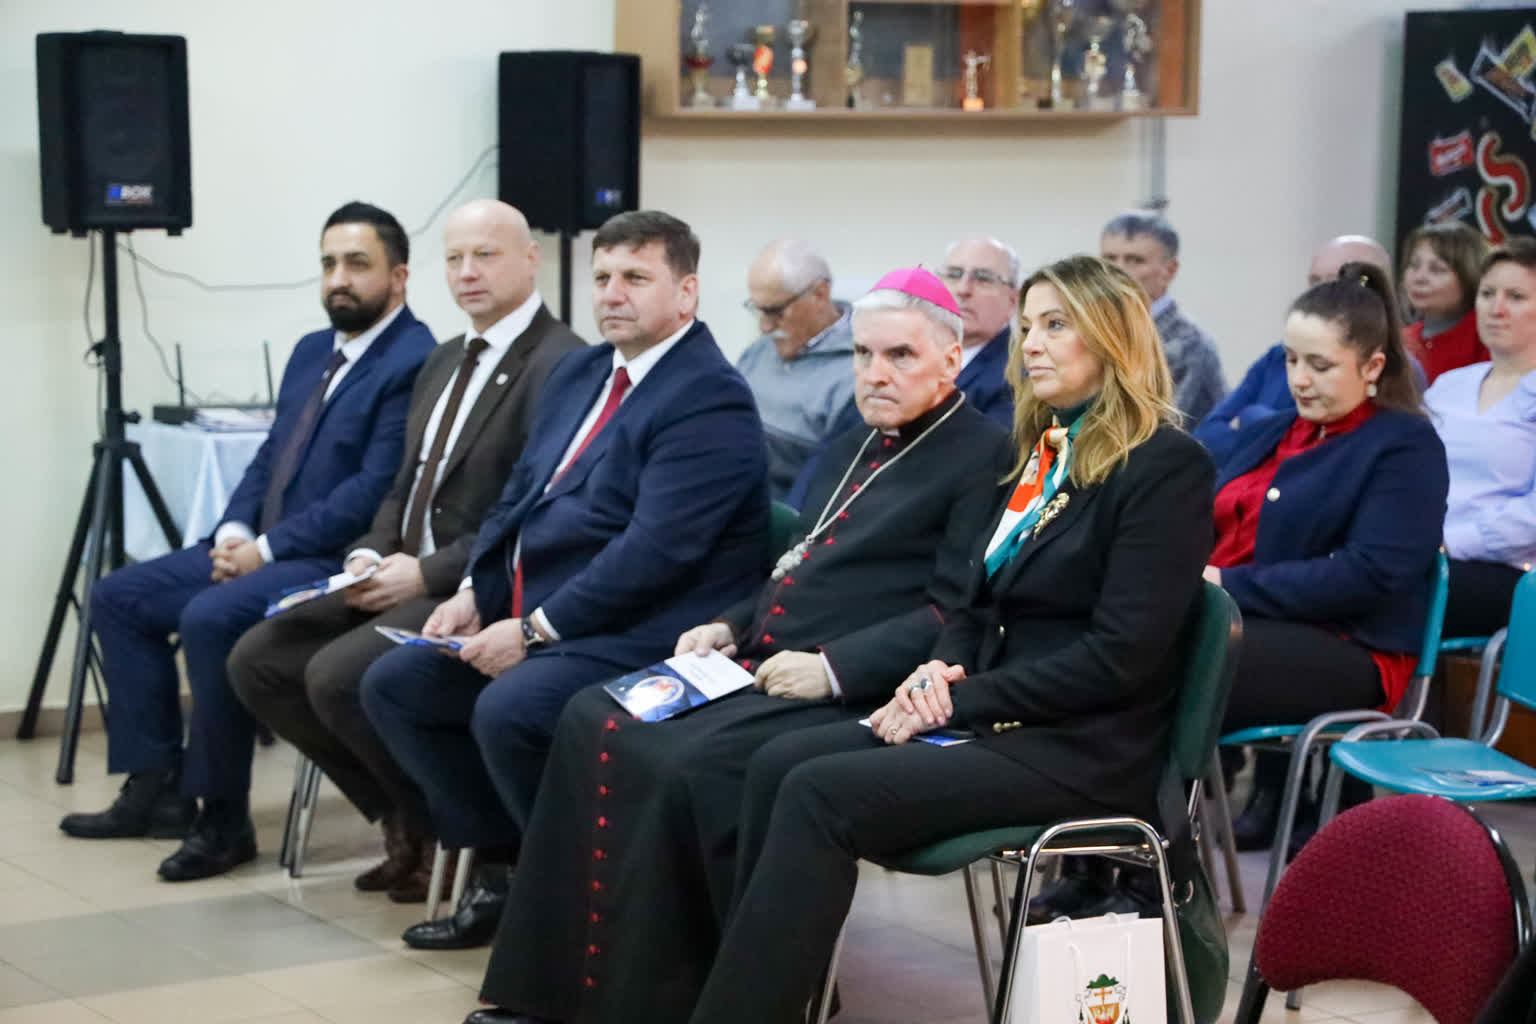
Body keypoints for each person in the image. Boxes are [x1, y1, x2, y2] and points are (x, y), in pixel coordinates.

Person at [466, 267, 1012, 1024]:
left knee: (686, 764)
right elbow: (799, 562)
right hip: (764, 660)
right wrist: (731, 622)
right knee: (592, 716)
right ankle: (556, 987)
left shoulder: (986, 456)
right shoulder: (856, 441)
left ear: (951, 360)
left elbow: (954, 610)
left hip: (849, 686)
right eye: (863, 354)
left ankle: (667, 1000)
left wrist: (832, 669)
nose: (875, 373)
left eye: (900, 356)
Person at [686, 254, 1216, 1024]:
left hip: (1085, 747)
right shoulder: (1044, 453)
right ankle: (779, 999)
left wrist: (960, 699)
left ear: (1113, 338)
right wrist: (936, 673)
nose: (1031, 344)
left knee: (817, 790)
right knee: (775, 762)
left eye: (1056, 325)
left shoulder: (1165, 467)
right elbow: (973, 601)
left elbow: (1119, 659)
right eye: (1027, 326)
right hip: (997, 719)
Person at [358, 210, 769, 950]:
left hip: (653, 630)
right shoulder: (583, 371)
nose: (612, 293)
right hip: (550, 611)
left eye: (635, 277)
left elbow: (655, 553)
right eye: (603, 276)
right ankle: (506, 868)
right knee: (398, 686)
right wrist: (475, 592)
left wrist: (534, 631)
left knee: (511, 709)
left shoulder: (709, 395)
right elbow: (517, 496)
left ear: (686, 293)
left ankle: (578, 904)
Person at [59, 202, 436, 881]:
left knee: (210, 618)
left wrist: (266, 550)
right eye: (328, 264)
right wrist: (235, 530)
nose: (338, 279)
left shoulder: (414, 359)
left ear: (399, 277)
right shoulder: (312, 350)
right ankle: (157, 786)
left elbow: (372, 490)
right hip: (268, 545)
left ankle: (223, 818)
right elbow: (270, 455)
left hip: (336, 558)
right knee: (119, 596)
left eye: (357, 264)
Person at [226, 200, 585, 900]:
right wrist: (367, 554)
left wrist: (426, 571)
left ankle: (447, 831)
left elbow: (532, 510)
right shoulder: (445, 358)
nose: (468, 272)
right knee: (259, 658)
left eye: (486, 255)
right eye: (454, 258)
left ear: (530, 260)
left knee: (336, 675)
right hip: (396, 569)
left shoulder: (561, 363)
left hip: (471, 583)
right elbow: (404, 483)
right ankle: (403, 814)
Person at [1212, 262, 1447, 852]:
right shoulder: (1271, 432)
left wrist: (1225, 584)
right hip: (1253, 626)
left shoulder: (1404, 444)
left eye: (1320, 365)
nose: (1299, 379)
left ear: (1372, 367)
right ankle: (1117, 856)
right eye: (1291, 360)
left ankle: (1149, 865)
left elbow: (1370, 575)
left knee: (1165, 656)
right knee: (1125, 643)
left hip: (1352, 647)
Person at [1194, 234, 1394, 463]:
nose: (1299, 379)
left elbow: (1314, 450)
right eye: (1314, 281)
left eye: (1320, 365)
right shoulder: (1277, 355)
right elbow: (1207, 434)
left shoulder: (1391, 372)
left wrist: (1250, 416)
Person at [1426, 238, 1536, 639]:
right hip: (1423, 553)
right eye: (1488, 294)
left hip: (1505, 572)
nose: (1496, 308)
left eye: (1516, 297)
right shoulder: (1447, 386)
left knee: (1387, 589)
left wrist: (1449, 543)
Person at [734, 239, 854, 500]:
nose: (765, 327)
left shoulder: (858, 371)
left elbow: (828, 487)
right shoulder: (757, 352)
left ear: (819, 295)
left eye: (775, 311)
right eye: (758, 310)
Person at [1100, 210, 1225, 423]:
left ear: (1170, 270)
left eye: (1134, 260)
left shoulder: (1190, 345)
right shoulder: (1091, 329)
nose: (1117, 271)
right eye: (1109, 259)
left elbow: (1162, 426)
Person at [936, 235, 1020, 426]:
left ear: (1012, 301)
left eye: (983, 278)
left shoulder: (1017, 376)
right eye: (954, 274)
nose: (963, 289)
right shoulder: (913, 354)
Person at [1401, 221, 1489, 385]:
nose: (1419, 278)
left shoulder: (1488, 336)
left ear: (1469, 277)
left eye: (1437, 269)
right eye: (1414, 265)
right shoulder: (1400, 339)